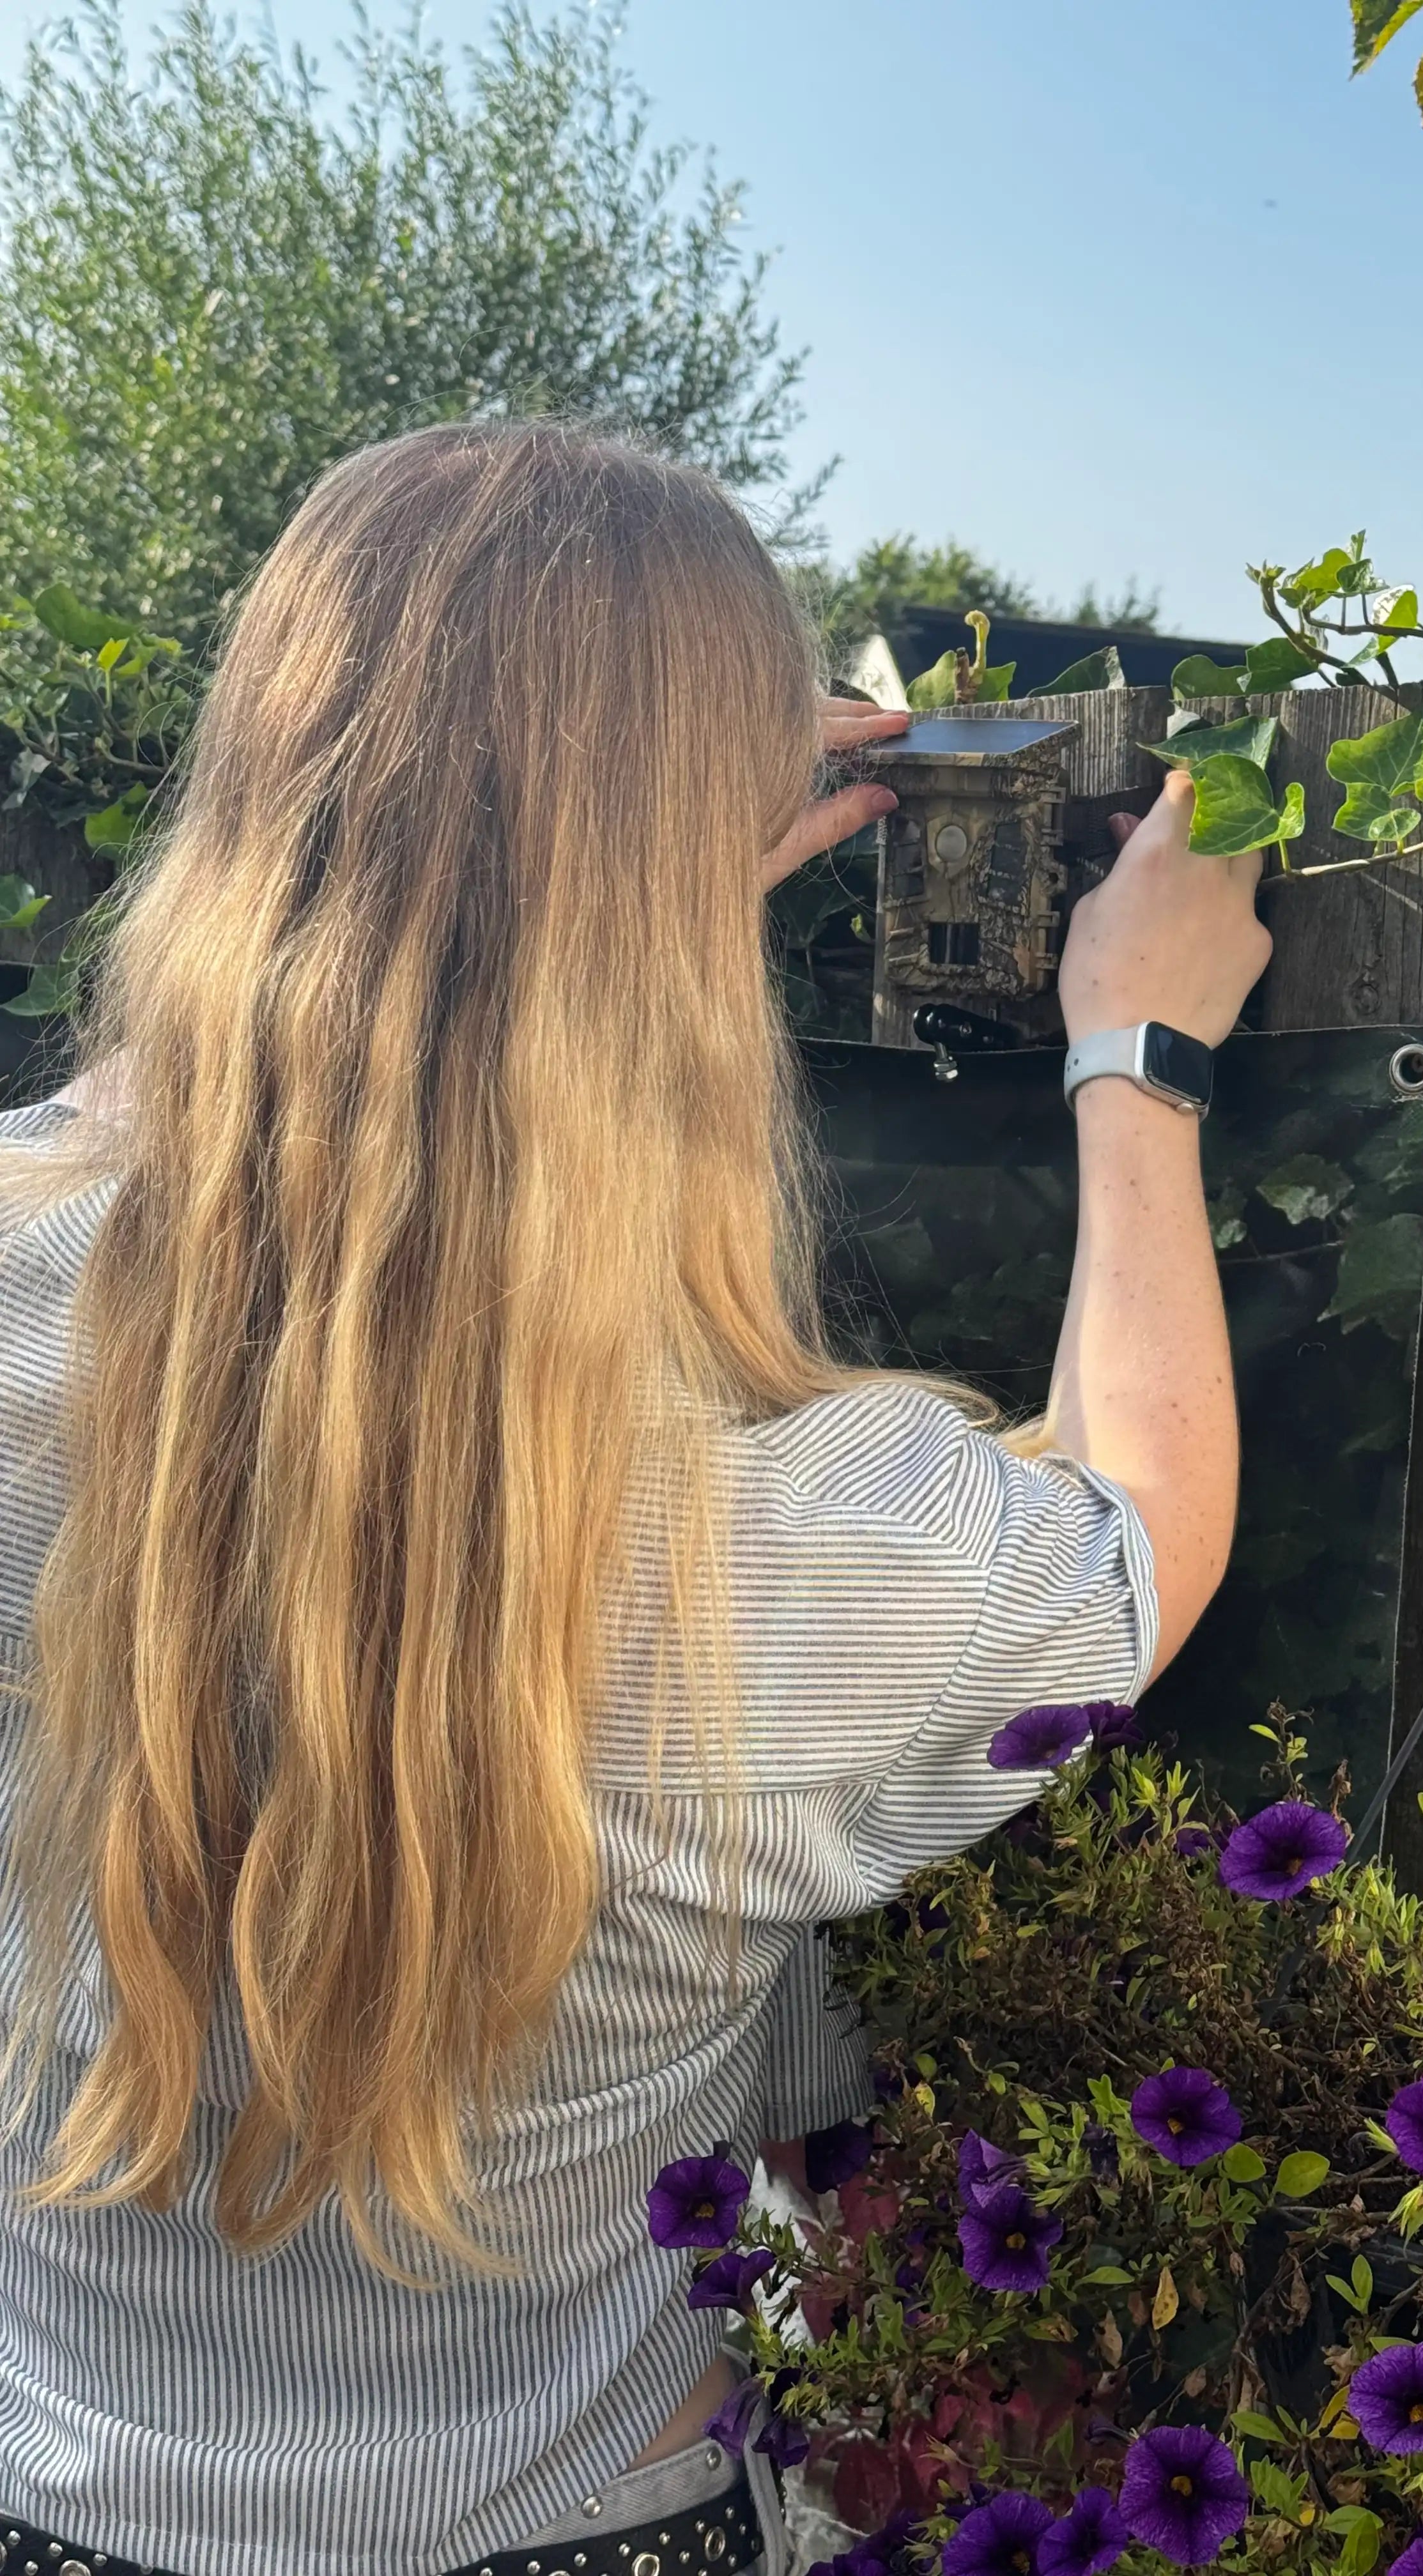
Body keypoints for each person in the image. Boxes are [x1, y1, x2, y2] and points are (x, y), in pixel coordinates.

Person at [0, 419, 1272, 2576]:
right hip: (577, 2526)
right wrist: (1135, 1060)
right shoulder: (802, 1546)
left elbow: (167, 1105)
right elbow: (1142, 1524)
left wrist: (569, 858)